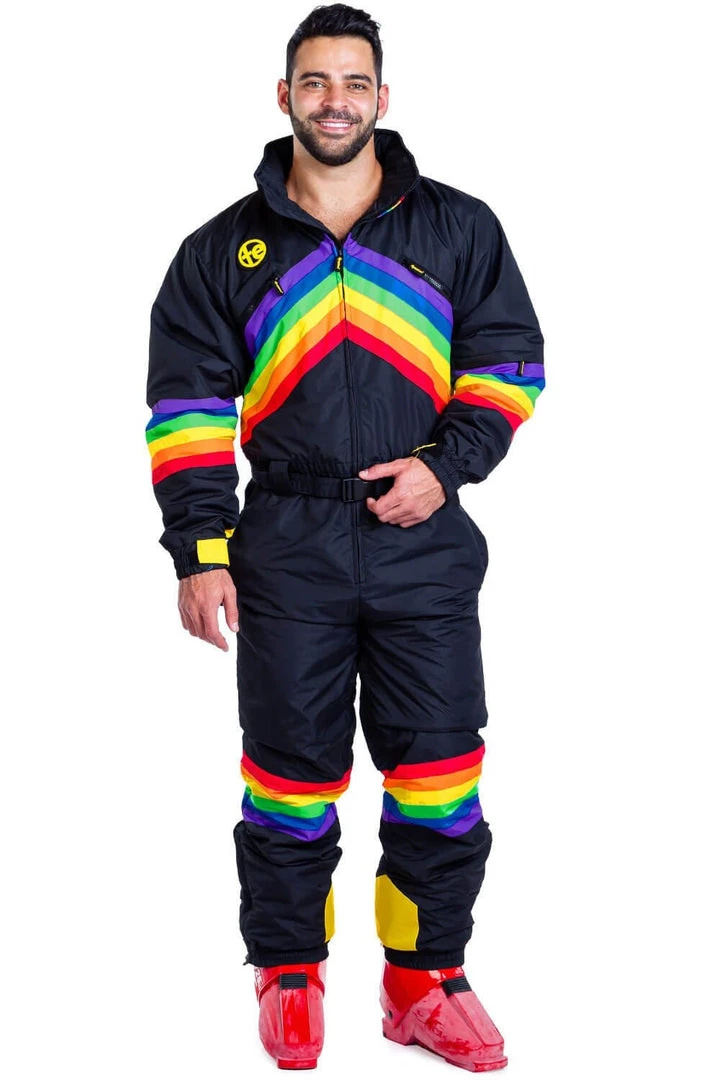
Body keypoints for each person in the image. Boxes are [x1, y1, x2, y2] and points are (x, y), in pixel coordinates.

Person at [146, 3, 544, 1071]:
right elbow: (187, 411)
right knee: (288, 776)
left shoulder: (458, 228)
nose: (335, 101)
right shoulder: (220, 249)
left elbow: (509, 364)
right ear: (286, 96)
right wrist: (201, 552)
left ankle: (423, 981)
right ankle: (289, 974)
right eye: (315, 82)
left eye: (354, 82)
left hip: (424, 541)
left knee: (441, 771)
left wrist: (445, 467)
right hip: (286, 543)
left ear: (382, 97)